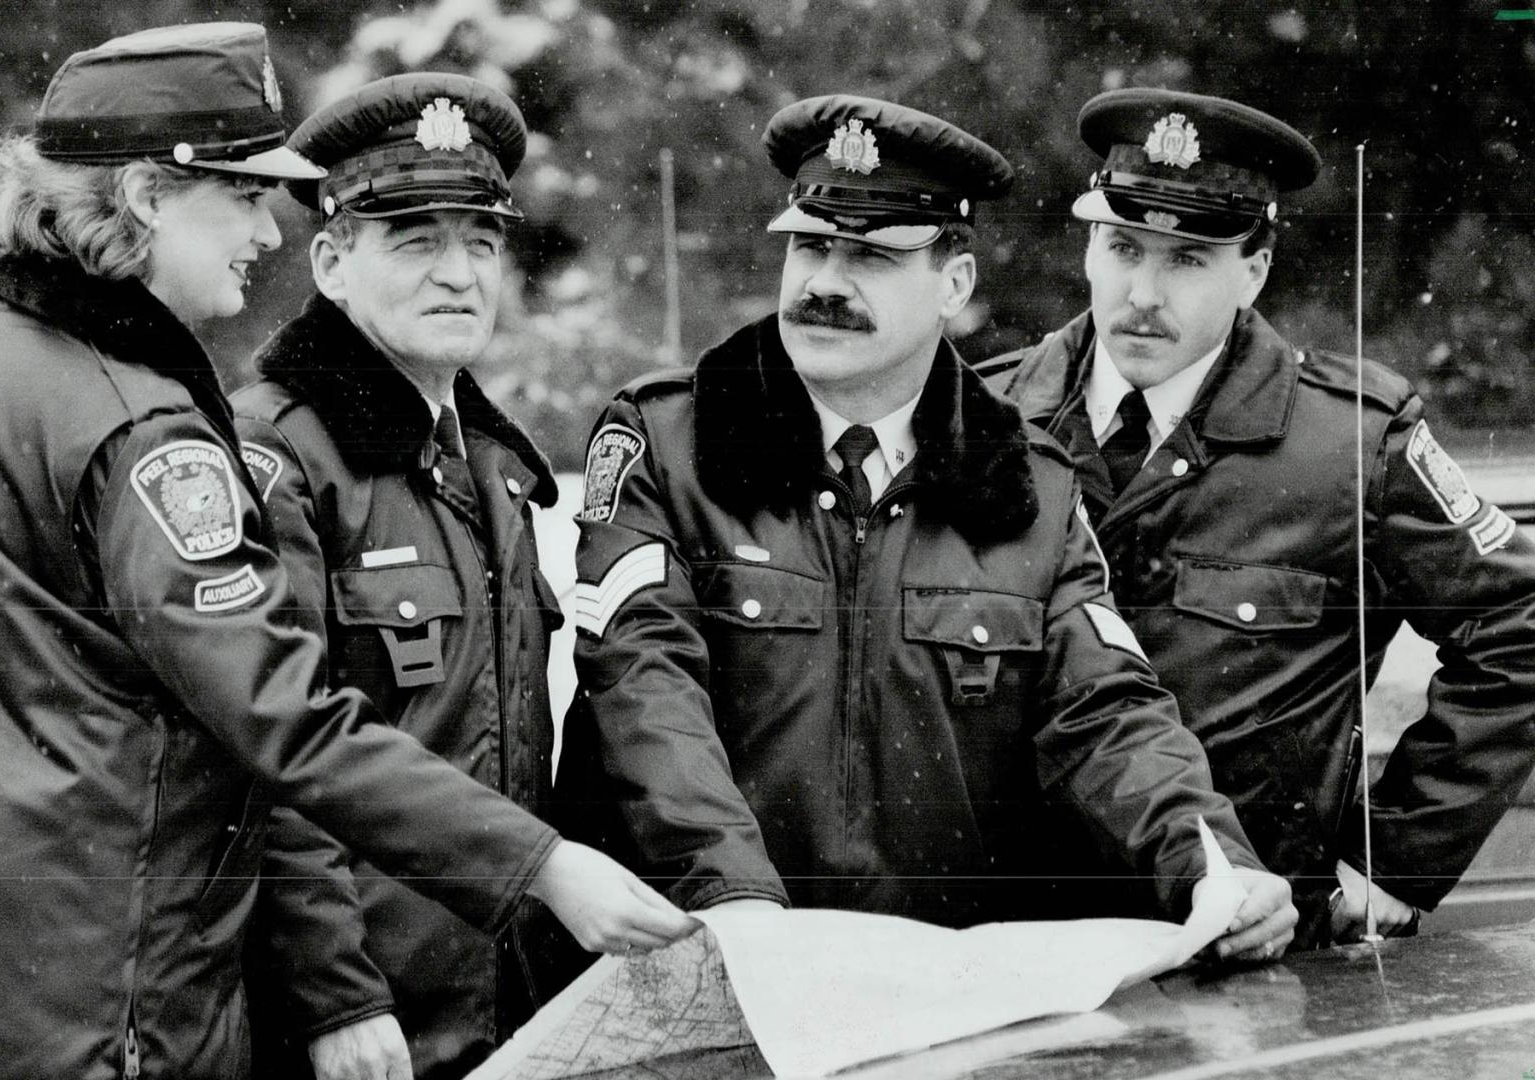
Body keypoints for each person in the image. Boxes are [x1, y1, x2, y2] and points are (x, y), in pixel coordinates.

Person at [0, 24, 692, 1080]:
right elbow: (283, 718)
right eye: (241, 195)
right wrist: (539, 868)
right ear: (145, 198)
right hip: (113, 1001)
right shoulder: (146, 434)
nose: (266, 234)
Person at [553, 94, 1296, 958]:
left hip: (928, 989)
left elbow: (1108, 713)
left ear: (955, 285)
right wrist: (737, 902)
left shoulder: (1025, 484)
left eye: (869, 255)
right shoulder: (670, 441)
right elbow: (644, 688)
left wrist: (1213, 866)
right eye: (810, 245)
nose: (825, 283)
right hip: (698, 962)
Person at [978, 88, 1535, 948]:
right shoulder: (983, 423)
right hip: (1016, 948)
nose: (1143, 294)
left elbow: (1519, 624)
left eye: (1190, 259)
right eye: (1123, 246)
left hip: (1257, 954)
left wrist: (1397, 857)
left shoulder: (1349, 445)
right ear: (1089, 245)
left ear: (1256, 270)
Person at [231, 74, 572, 1080]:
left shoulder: (491, 466)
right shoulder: (276, 456)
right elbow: (270, 751)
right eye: (416, 242)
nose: (459, 274)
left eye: (480, 242)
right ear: (332, 263)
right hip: (358, 1027)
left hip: (498, 1008)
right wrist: (332, 991)